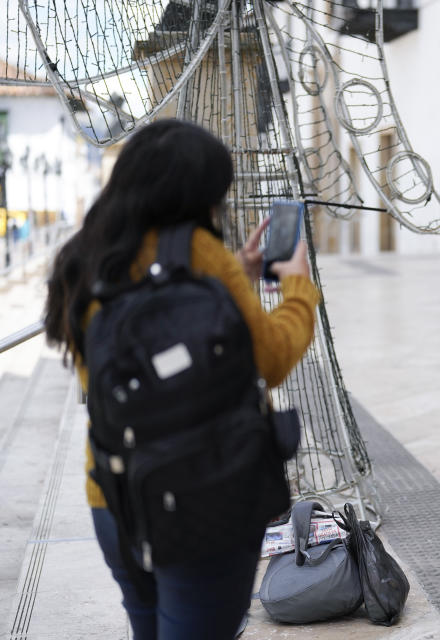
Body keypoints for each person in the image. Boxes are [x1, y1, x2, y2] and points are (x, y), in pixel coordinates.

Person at [43, 119, 320, 639]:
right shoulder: (201, 253)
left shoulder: (86, 253)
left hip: (114, 496)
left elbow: (137, 329)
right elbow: (274, 357)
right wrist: (298, 286)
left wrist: (232, 273)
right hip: (201, 500)